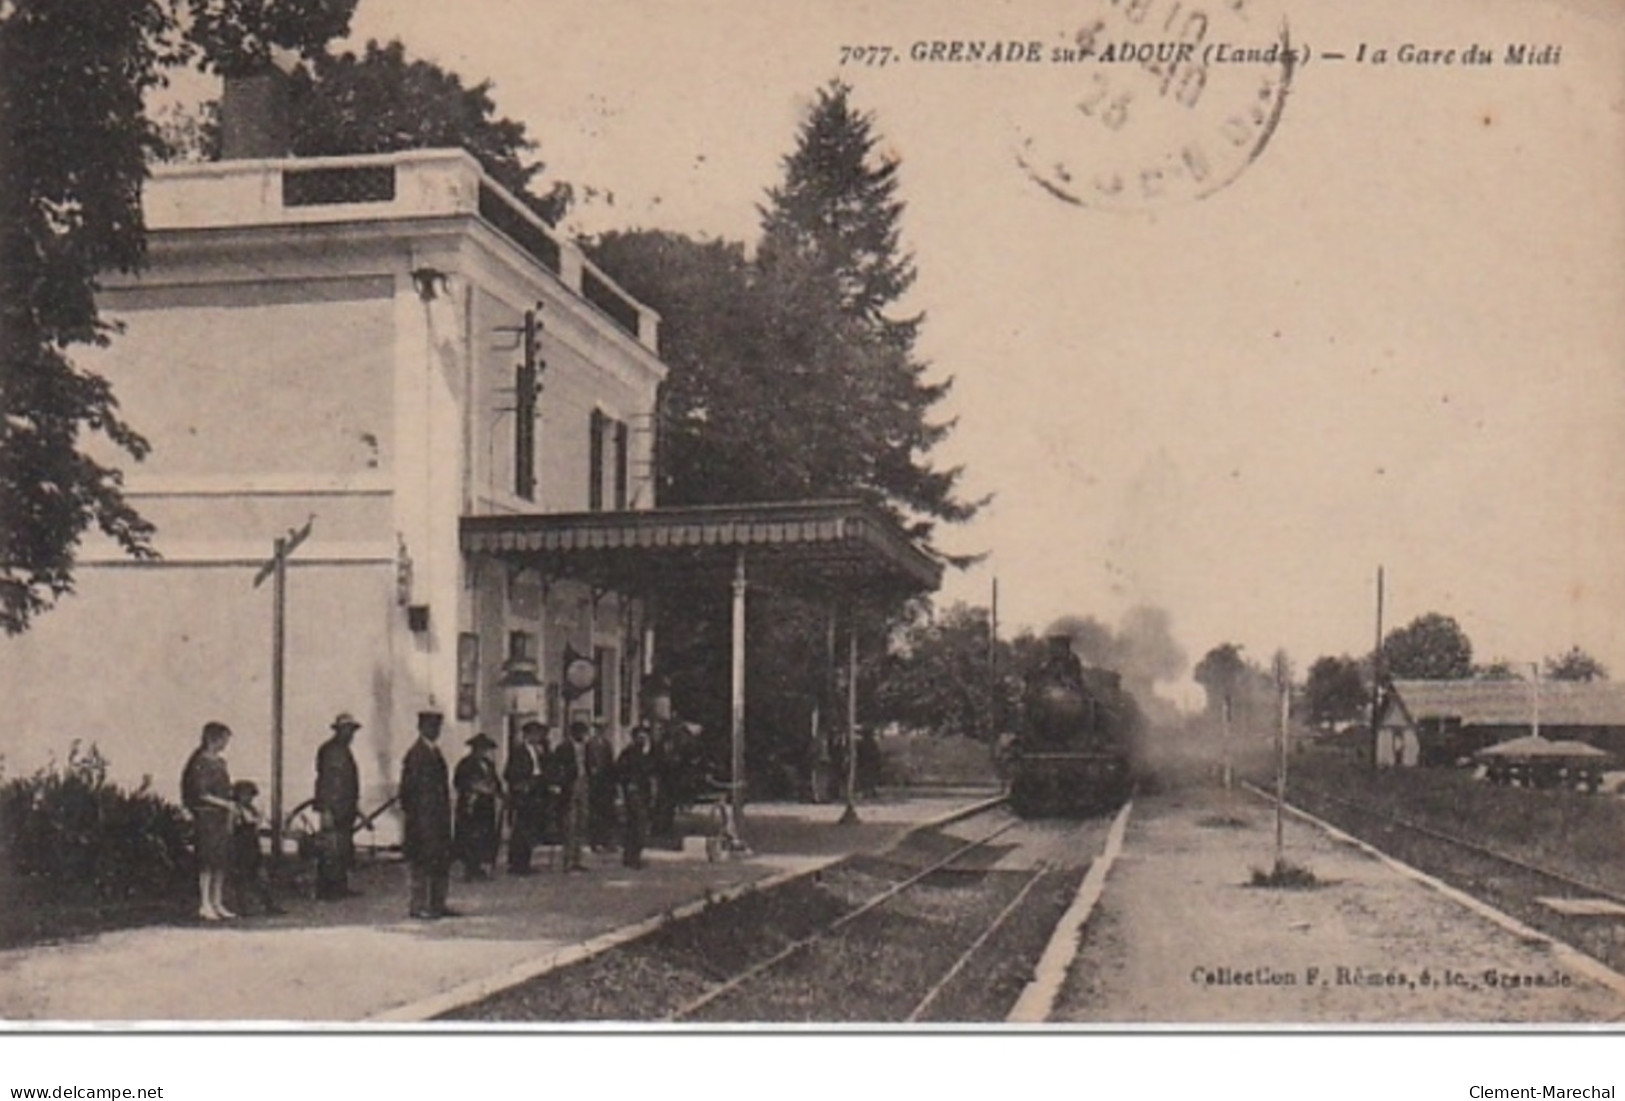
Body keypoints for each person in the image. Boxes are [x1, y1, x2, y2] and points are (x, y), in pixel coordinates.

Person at [400, 709, 455, 919]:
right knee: (421, 863)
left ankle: (438, 903)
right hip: (422, 820)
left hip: (437, 818)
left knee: (439, 861)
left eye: (437, 727)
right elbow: (408, 791)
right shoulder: (416, 755)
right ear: (421, 728)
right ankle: (419, 905)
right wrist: (417, 818)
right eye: (431, 727)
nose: (435, 731)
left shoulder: (435, 752)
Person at [181, 721, 237, 922]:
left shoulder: (220, 763)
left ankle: (217, 901)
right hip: (206, 816)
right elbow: (201, 793)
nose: (225, 743)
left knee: (220, 860)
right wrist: (224, 804)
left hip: (221, 816)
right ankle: (205, 903)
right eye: (224, 739)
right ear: (213, 739)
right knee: (206, 860)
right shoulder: (200, 762)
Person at [313, 711, 362, 901]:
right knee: (330, 849)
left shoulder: (343, 750)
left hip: (345, 807)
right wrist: (325, 809)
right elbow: (324, 781)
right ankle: (326, 890)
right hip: (333, 808)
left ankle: (340, 886)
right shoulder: (330, 750)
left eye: (351, 730)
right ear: (339, 730)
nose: (350, 734)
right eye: (347, 730)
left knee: (342, 848)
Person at [227, 780, 282, 916]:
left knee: (261, 876)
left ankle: (268, 904)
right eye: (245, 795)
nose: (248, 798)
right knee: (242, 877)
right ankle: (243, 907)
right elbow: (230, 829)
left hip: (253, 845)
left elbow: (256, 826)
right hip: (241, 846)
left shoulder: (252, 809)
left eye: (250, 795)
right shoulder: (235, 810)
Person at [503, 720, 552, 874]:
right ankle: (517, 864)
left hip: (536, 792)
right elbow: (509, 773)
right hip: (523, 794)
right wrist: (522, 783)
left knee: (531, 829)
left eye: (538, 734)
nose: (537, 737)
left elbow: (545, 768)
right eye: (534, 733)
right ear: (527, 735)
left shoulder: (539, 751)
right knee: (521, 830)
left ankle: (526, 862)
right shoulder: (519, 751)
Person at [453, 733, 503, 881]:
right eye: (479, 748)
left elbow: (496, 782)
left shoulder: (489, 764)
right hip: (472, 806)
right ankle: (470, 868)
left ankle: (481, 867)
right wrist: (475, 787)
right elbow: (459, 782)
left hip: (486, 806)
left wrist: (499, 793)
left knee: (485, 837)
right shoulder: (465, 764)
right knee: (470, 837)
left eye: (484, 749)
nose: (482, 751)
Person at [551, 721, 592, 872]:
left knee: (582, 823)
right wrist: (558, 784)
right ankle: (567, 861)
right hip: (569, 787)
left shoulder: (587, 748)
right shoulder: (563, 748)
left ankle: (578, 859)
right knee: (570, 824)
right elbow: (556, 767)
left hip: (583, 784)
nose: (583, 736)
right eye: (581, 733)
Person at [616, 723, 656, 869]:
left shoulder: (646, 753)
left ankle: (632, 856)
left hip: (643, 792)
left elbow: (652, 772)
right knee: (638, 823)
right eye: (640, 736)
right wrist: (627, 785)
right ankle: (632, 857)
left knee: (637, 824)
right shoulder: (629, 753)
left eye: (645, 736)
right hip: (634, 792)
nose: (643, 739)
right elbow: (620, 771)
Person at [585, 721, 618, 852]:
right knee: (595, 813)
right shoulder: (590, 744)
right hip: (595, 783)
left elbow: (610, 763)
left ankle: (606, 841)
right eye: (599, 728)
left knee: (607, 813)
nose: (601, 731)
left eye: (603, 728)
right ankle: (594, 841)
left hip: (606, 783)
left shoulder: (607, 744)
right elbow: (588, 762)